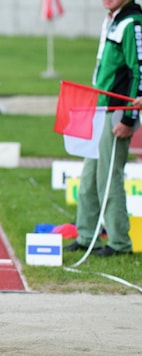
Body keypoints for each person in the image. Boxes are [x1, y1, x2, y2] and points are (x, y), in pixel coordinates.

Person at [63, 0, 142, 257]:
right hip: (101, 110)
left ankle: (119, 243)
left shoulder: (132, 23)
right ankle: (87, 236)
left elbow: (138, 71)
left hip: (118, 112)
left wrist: (129, 119)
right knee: (88, 179)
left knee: (108, 177)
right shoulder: (113, 19)